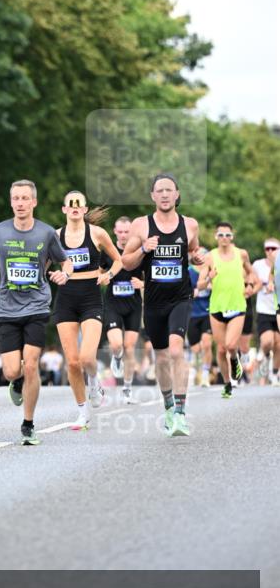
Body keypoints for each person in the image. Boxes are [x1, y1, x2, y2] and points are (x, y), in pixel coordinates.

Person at [0, 179, 72, 445]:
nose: (20, 203)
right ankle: (16, 381)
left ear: (34, 202)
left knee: (31, 365)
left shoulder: (46, 233)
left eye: (25, 198)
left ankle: (28, 424)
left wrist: (64, 275)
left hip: (37, 306)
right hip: (7, 308)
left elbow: (66, 261)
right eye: (16, 198)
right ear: (11, 202)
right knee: (11, 371)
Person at [122, 173, 206, 438]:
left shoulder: (190, 224)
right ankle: (168, 405)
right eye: (160, 190)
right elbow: (126, 261)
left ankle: (180, 413)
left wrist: (196, 257)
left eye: (169, 190)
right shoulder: (141, 225)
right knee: (160, 357)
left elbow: (194, 249)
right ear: (153, 196)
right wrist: (144, 249)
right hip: (154, 302)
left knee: (177, 350)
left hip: (180, 298)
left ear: (177, 194)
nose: (165, 194)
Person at [51, 190, 121, 430]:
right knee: (72, 363)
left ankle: (94, 382)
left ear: (84, 209)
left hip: (91, 299)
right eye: (69, 204)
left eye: (78, 204)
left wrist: (108, 275)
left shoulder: (97, 233)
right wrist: (51, 274)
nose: (74, 207)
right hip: (65, 300)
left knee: (86, 358)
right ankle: (82, 412)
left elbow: (118, 260)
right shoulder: (55, 236)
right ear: (64, 209)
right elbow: (42, 264)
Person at [197, 222, 261, 399]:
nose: (224, 238)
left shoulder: (241, 254)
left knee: (232, 345)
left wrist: (250, 287)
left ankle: (235, 360)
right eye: (221, 235)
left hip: (237, 306)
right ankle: (227, 384)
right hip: (217, 307)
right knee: (221, 349)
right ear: (216, 237)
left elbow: (252, 274)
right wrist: (208, 278)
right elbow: (200, 285)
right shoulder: (210, 257)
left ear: (232, 237)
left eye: (227, 235)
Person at [102, 215, 144, 404]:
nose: (124, 235)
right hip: (113, 304)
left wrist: (142, 284)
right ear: (115, 232)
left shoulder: (139, 252)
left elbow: (152, 278)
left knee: (130, 347)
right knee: (117, 344)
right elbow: (98, 272)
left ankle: (127, 389)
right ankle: (116, 357)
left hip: (133, 305)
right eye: (120, 231)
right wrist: (103, 277)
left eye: (127, 231)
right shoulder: (109, 251)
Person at [252, 238, 280, 385]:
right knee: (268, 341)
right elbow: (249, 278)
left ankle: (274, 373)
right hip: (263, 310)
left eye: (273, 248)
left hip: (277, 309)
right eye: (267, 249)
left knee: (278, 345)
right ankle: (264, 354)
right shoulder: (258, 265)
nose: (270, 251)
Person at [187, 263, 212, 387]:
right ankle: (196, 369)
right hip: (192, 314)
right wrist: (194, 291)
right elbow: (182, 290)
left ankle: (206, 374)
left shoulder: (211, 271)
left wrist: (212, 286)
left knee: (207, 344)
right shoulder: (189, 271)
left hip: (207, 313)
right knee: (196, 349)